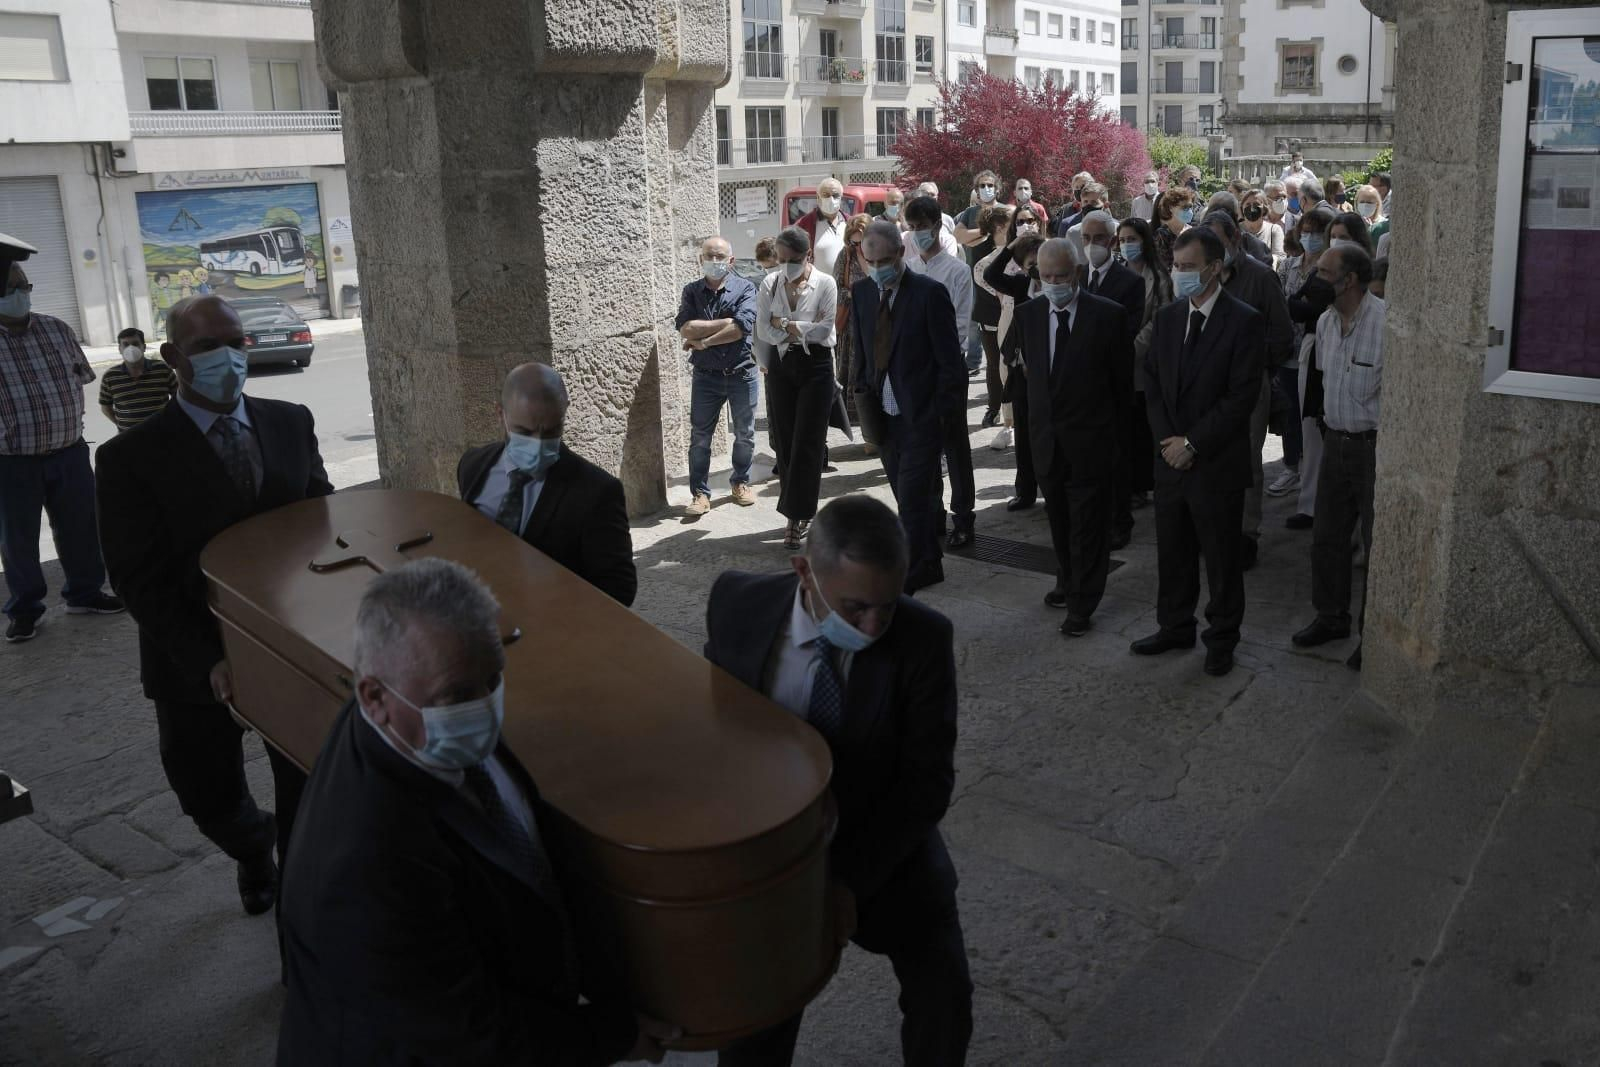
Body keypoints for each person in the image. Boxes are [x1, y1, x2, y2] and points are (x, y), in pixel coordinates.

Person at [276, 558, 675, 1065]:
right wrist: (608, 1035)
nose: (486, 707)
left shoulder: (409, 723)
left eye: (494, 679)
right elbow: (467, 1038)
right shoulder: (366, 863)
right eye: (459, 696)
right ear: (373, 695)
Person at [706, 495, 972, 1067]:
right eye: (855, 609)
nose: (874, 626)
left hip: (885, 844)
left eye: (888, 605)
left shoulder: (924, 640)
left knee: (944, 996)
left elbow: (926, 784)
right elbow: (719, 731)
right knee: (758, 1021)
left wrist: (849, 881)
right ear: (805, 571)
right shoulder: (737, 604)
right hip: (776, 856)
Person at [96, 294, 331, 914]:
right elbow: (136, 577)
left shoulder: (290, 421)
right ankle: (253, 848)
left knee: (307, 785)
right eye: (207, 346)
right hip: (190, 657)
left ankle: (302, 900)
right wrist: (207, 659)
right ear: (174, 356)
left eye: (235, 340)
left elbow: (322, 519)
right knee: (205, 791)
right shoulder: (128, 458)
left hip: (288, 643)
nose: (228, 356)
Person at [1132, 228, 1266, 678]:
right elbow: (1152, 384)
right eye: (1176, 265)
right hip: (1170, 462)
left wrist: (1193, 444)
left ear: (1214, 268)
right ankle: (1174, 625)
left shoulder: (1244, 321)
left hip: (1216, 464)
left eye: (1188, 267)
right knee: (1173, 552)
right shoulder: (1169, 319)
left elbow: (1240, 397)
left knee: (1222, 559)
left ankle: (1222, 638)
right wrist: (1168, 442)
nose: (1179, 273)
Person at [0, 263, 125, 643]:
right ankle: (25, 609)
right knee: (17, 539)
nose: (23, 293)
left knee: (82, 528)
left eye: (26, 285)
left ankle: (84, 594)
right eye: (13, 287)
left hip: (70, 452)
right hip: (11, 462)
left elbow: (81, 378)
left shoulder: (56, 328)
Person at [1014, 239, 1131, 635]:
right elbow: (1030, 380)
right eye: (1045, 277)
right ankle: (1066, 578)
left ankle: (1082, 603)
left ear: (1077, 273)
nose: (1053, 284)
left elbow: (1121, 386)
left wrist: (1117, 444)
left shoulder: (1108, 316)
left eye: (1061, 276)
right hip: (1047, 441)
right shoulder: (1028, 314)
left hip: (1091, 441)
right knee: (1059, 520)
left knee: (1088, 527)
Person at [458, 363, 637, 605]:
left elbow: (620, 589)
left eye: (552, 431)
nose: (539, 443)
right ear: (501, 414)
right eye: (524, 430)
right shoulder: (473, 466)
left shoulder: (598, 492)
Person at [852, 220, 964, 594]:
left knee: (913, 496)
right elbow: (863, 350)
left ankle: (919, 567)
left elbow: (951, 364)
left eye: (885, 260)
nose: (879, 267)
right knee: (907, 493)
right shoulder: (863, 293)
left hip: (921, 415)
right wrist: (860, 392)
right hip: (883, 414)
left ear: (901, 254)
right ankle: (929, 554)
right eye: (871, 261)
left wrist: (941, 414)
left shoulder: (929, 294)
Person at [1291, 246, 1384, 671]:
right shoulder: (1326, 322)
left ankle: (1375, 636)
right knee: (1327, 538)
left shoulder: (1386, 324)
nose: (1315, 277)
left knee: (1377, 546)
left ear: (1349, 280)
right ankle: (1330, 618)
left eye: (1324, 272)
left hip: (1374, 447)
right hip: (1335, 442)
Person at [1203, 211, 1293, 572]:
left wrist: (1251, 364)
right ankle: (1212, 528)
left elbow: (1282, 334)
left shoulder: (1260, 277)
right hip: (1206, 383)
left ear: (1235, 240)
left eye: (1218, 244)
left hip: (1248, 385)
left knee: (1246, 463)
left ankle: (1245, 533)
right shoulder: (1201, 275)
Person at [756, 227, 840, 549]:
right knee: (786, 440)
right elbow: (764, 327)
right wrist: (797, 328)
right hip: (781, 365)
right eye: (781, 259)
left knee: (808, 440)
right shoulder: (770, 283)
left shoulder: (825, 283)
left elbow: (824, 330)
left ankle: (796, 515)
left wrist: (786, 325)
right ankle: (796, 512)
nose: (786, 265)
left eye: (793, 259)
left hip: (816, 366)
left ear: (808, 256)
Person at [903, 196, 978, 550]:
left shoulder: (957, 271)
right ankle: (932, 514)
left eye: (923, 227)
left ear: (937, 227)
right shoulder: (908, 269)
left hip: (947, 369)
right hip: (915, 371)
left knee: (955, 445)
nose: (918, 233)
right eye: (913, 227)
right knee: (923, 446)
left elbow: (961, 326)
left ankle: (963, 517)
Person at [1079, 209, 1146, 549]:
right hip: (1080, 385)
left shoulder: (1130, 282)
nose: (1093, 245)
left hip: (1112, 382)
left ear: (1112, 240)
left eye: (1099, 239)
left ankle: (1121, 520)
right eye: (1086, 239)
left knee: (1118, 456)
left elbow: (1128, 333)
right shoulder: (1075, 276)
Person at [677, 237, 758, 518]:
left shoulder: (746, 287)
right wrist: (726, 322)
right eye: (709, 256)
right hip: (706, 377)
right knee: (700, 437)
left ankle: (740, 482)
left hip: (742, 373)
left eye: (720, 256)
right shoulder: (691, 291)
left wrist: (704, 341)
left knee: (745, 434)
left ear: (731, 260)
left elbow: (743, 327)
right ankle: (700, 493)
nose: (715, 261)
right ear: (701, 260)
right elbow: (686, 328)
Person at [1281, 208, 1340, 530]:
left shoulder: (1328, 270)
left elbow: (1308, 309)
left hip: (1326, 348)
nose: (1310, 237)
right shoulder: (1293, 266)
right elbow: (1291, 305)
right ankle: (1308, 501)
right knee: (1304, 424)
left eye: (1319, 231)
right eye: (1306, 230)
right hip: (1301, 351)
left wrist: (1301, 306)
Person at [983, 232, 1047, 510]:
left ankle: (1052, 487)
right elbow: (991, 274)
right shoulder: (1021, 286)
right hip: (1022, 369)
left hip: (1050, 371)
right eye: (1031, 264)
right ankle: (1025, 490)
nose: (1037, 270)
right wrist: (1011, 247)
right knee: (1023, 433)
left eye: (1040, 262)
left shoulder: (1062, 285)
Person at [1116, 217, 1172, 518]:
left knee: (1144, 427)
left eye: (1132, 239)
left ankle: (1145, 484)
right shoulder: (1117, 273)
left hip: (1145, 361)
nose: (1127, 245)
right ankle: (1131, 484)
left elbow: (1161, 316)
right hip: (1118, 363)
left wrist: (1135, 345)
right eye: (1122, 240)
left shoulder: (1159, 276)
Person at [971, 204, 1015, 431]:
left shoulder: (1018, 246)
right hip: (990, 314)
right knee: (994, 364)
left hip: (1014, 314)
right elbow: (982, 283)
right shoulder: (981, 251)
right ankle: (994, 408)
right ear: (1000, 226)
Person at [953, 171, 1001, 375]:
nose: (986, 189)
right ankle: (973, 362)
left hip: (999, 276)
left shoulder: (1005, 211)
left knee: (1001, 320)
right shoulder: (970, 213)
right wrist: (985, 232)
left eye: (990, 185)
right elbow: (959, 236)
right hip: (974, 275)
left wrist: (973, 238)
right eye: (982, 185)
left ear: (997, 188)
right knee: (974, 319)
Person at [833, 214, 874, 429]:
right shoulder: (845, 256)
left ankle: (873, 424)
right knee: (850, 371)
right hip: (850, 324)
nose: (857, 246)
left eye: (862, 242)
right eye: (853, 241)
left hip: (876, 321)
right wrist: (852, 295)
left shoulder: (879, 254)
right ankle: (855, 419)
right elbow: (836, 287)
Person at [99, 327, 177, 432]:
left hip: (162, 434)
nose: (130, 348)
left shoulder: (162, 369)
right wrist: (122, 425)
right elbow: (105, 407)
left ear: (144, 347)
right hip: (128, 439)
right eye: (125, 345)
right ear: (120, 349)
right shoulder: (110, 376)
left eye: (135, 344)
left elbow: (179, 397)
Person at [794, 178, 850, 277]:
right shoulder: (804, 225)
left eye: (835, 195)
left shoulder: (849, 222)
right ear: (818, 198)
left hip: (846, 289)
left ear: (841, 198)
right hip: (818, 289)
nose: (831, 199)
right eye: (826, 195)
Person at [1203, 191, 1272, 266]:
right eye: (1215, 211)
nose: (1220, 216)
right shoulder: (1196, 241)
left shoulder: (1253, 246)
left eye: (1226, 213)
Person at [1240, 189, 1286, 270]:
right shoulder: (1235, 229)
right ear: (1242, 207)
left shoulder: (1274, 230)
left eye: (1256, 204)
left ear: (1264, 208)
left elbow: (1281, 257)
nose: (1251, 208)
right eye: (1248, 204)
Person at [1153, 188, 1197, 272]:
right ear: (1171, 208)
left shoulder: (1194, 232)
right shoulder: (1162, 234)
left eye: (1190, 206)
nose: (1189, 211)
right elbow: (1163, 266)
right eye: (1184, 207)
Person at [1062, 182, 1108, 259]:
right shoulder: (1072, 232)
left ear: (1105, 205)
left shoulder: (1116, 229)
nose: (1089, 206)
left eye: (1094, 202)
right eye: (1085, 202)